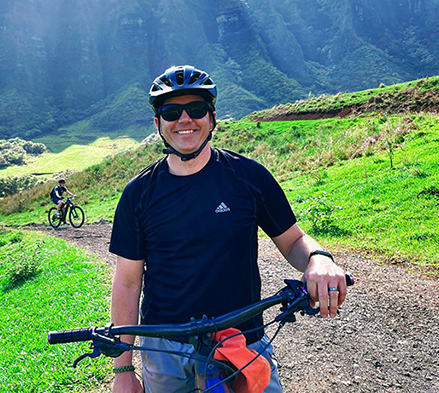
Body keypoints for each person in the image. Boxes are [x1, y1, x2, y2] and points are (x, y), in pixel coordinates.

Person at [109, 65, 349, 393]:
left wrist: (319, 259)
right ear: (158, 124)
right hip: (165, 350)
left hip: (243, 343)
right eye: (170, 112)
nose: (184, 119)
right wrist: (122, 369)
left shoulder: (249, 177)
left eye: (195, 109)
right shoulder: (138, 193)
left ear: (212, 118)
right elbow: (126, 282)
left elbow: (293, 240)